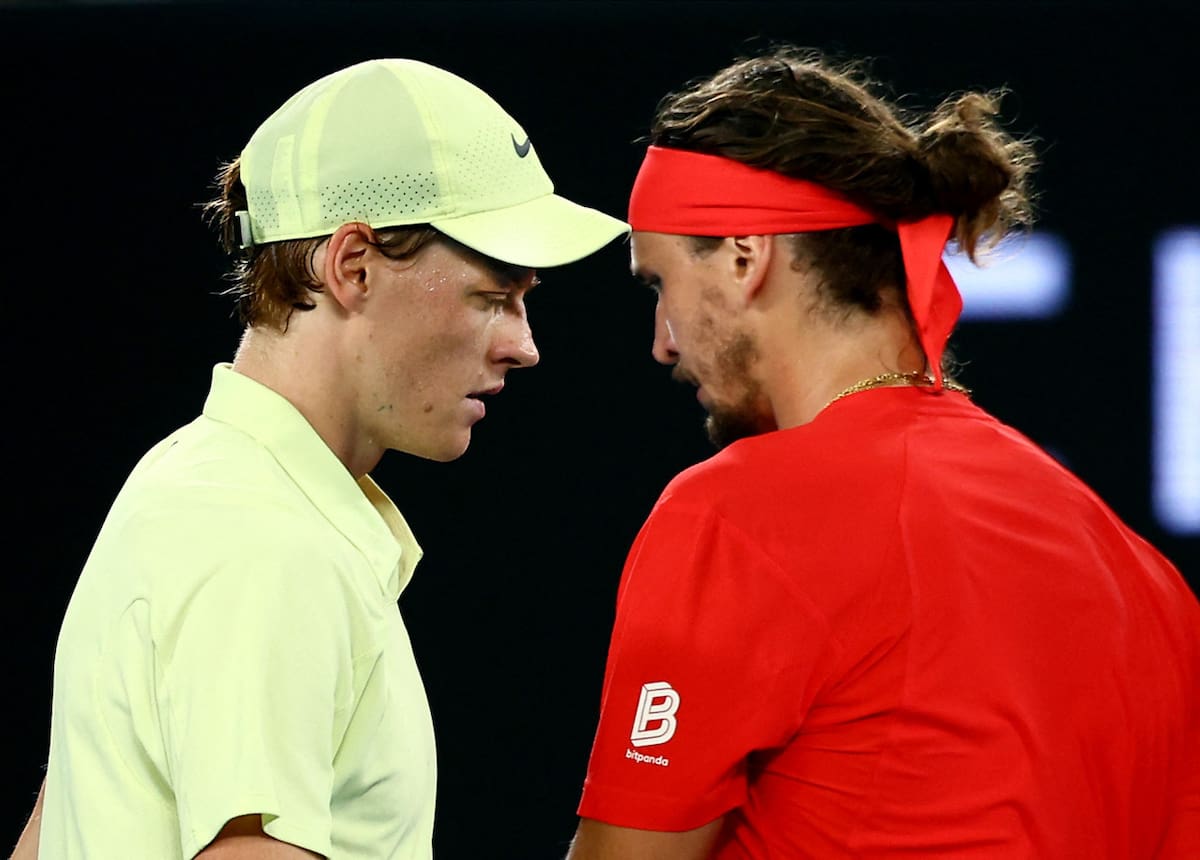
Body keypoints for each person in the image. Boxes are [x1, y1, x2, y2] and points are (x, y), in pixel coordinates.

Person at [566, 47, 1200, 859]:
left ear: (743, 256)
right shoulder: (1137, 572)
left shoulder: (735, 514)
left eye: (659, 286)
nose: (662, 343)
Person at [14, 58, 627, 860]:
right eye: (493, 296)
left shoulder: (187, 483)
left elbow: (58, 828)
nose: (524, 346)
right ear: (353, 266)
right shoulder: (265, 541)